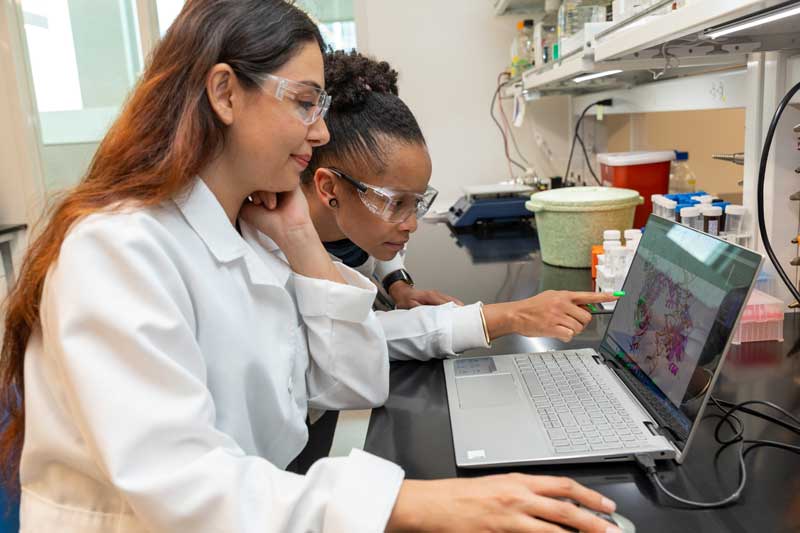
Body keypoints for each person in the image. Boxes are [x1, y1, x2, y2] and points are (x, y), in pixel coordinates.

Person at [0, 2, 620, 532]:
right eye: (303, 103)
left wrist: (300, 237)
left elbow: (352, 382)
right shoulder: (117, 250)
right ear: (224, 94)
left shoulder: (250, 229)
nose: (320, 130)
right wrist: (408, 503)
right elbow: (181, 486)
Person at [297, 50, 617, 361]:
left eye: (417, 203)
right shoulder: (284, 251)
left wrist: (398, 285)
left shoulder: (350, 216)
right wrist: (511, 315)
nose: (411, 224)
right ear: (329, 188)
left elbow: (369, 243)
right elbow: (361, 337)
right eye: (396, 203)